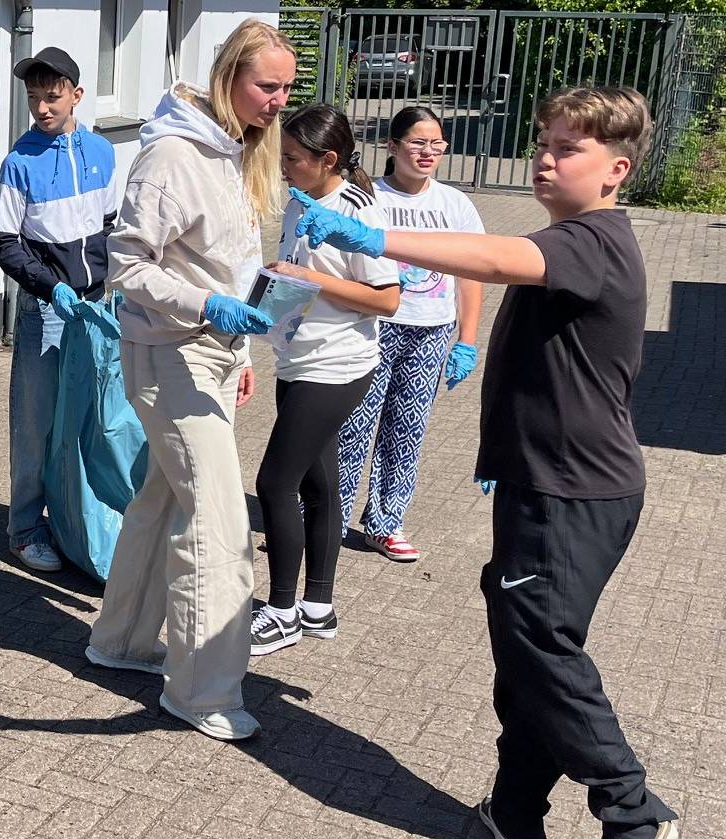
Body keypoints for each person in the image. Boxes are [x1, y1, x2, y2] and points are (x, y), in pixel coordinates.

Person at [291, 85, 679, 839]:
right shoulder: (571, 236)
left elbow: (495, 258)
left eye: (566, 148)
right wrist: (502, 452)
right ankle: (514, 808)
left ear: (615, 170)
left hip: (576, 492)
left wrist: (371, 234)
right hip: (539, 482)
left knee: (541, 648)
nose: (544, 156)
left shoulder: (595, 240)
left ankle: (633, 814)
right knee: (522, 647)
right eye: (542, 140)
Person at [82, 19, 293, 742]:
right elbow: (127, 266)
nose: (278, 101)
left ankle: (120, 641)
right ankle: (202, 689)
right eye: (268, 85)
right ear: (229, 76)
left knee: (162, 499)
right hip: (168, 352)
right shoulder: (171, 155)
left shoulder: (233, 151)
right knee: (216, 519)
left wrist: (236, 353)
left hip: (209, 352)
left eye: (287, 87)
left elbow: (226, 265)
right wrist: (208, 309)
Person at [248, 104, 400, 656]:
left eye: (292, 158)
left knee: (273, 483)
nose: (283, 165)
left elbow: (387, 298)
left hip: (335, 367)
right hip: (296, 358)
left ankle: (282, 611)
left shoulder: (356, 210)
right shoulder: (297, 201)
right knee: (318, 483)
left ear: (328, 159)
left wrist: (307, 277)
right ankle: (319, 606)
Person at [335, 106, 487, 564]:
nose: (427, 153)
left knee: (407, 430)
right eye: (417, 143)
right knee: (352, 426)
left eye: (436, 145)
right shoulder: (368, 198)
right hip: (373, 325)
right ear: (393, 146)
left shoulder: (455, 204)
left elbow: (471, 273)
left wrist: (467, 339)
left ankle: (385, 523)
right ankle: (328, 519)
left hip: (431, 331)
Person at [0, 46, 119, 574]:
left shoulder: (104, 153)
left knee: (85, 418)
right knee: (36, 421)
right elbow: (4, 242)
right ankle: (24, 527)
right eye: (33, 98)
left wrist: (114, 287)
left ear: (76, 95)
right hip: (46, 311)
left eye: (52, 95)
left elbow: (113, 229)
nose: (42, 107)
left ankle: (71, 521)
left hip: (94, 307)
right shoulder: (19, 161)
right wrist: (50, 289)